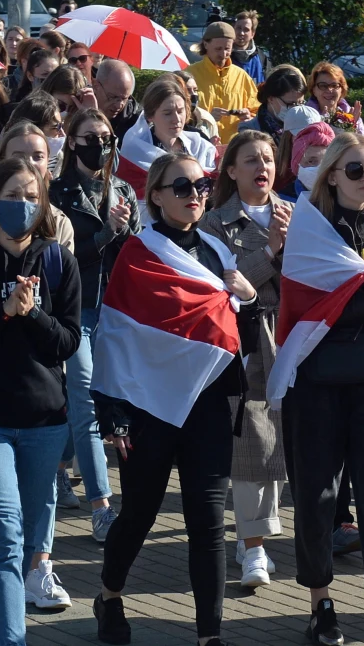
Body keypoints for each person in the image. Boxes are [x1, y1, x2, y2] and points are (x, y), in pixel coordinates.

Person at [93, 152, 260, 646]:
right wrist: (113, 413)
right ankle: (109, 596)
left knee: (207, 523)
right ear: (156, 196)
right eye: (181, 186)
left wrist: (249, 300)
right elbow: (115, 336)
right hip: (148, 408)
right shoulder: (136, 253)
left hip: (207, 406)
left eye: (201, 185)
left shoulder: (218, 252)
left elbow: (240, 339)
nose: (194, 195)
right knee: (138, 515)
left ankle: (209, 635)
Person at [271, 132, 364, 646]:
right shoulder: (309, 227)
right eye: (355, 170)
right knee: (317, 498)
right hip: (316, 383)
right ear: (331, 175)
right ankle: (321, 605)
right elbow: (307, 311)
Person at [0, 157, 81, 645]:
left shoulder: (58, 261)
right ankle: (8, 639)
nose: (21, 205)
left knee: (27, 537)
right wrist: (4, 312)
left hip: (45, 422)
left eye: (30, 197)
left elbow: (67, 343)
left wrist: (32, 314)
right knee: (4, 535)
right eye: (11, 196)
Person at [202, 130, 292, 588]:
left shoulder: (296, 214)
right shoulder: (215, 223)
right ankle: (253, 546)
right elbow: (226, 282)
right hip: (247, 336)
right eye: (251, 160)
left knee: (280, 441)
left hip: (294, 334)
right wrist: (271, 250)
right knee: (252, 440)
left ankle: (249, 534)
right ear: (232, 170)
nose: (262, 167)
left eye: (268, 159)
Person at [48, 108, 140, 540]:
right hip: (75, 310)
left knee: (82, 399)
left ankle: (59, 466)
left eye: (106, 138)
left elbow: (134, 254)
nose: (100, 145)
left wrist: (123, 231)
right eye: (90, 137)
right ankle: (102, 506)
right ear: (72, 142)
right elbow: (62, 258)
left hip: (115, 311)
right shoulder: (57, 192)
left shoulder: (122, 189)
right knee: (85, 399)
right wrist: (106, 233)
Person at [118, 79, 217, 193]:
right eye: (167, 113)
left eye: (180, 111)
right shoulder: (134, 152)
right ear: (150, 116)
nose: (176, 119)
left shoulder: (201, 147)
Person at [186, 21, 259, 145]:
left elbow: (258, 111)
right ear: (206, 44)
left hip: (235, 147)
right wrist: (207, 118)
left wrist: (249, 117)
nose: (223, 54)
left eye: (227, 49)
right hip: (200, 145)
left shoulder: (241, 76)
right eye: (218, 49)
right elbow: (178, 113)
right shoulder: (189, 75)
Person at [239, 64, 306, 141]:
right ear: (271, 98)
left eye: (301, 103)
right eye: (291, 104)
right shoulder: (250, 130)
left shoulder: (307, 124)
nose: (296, 109)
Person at [279, 121, 334, 204]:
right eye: (311, 161)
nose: (319, 168)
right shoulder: (283, 201)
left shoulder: (342, 199)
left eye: (325, 161)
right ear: (297, 166)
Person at [306, 62, 364, 135]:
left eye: (334, 85)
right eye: (323, 86)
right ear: (313, 90)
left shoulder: (352, 117)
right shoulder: (305, 117)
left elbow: (362, 141)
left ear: (342, 90)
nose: (329, 90)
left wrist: (350, 128)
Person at [94, 58, 141, 138]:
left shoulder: (137, 123)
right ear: (96, 86)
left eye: (124, 98)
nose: (119, 105)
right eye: (112, 97)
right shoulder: (77, 108)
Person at [172, 69, 220, 143]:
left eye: (195, 90)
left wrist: (210, 146)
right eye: (187, 90)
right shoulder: (165, 119)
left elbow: (216, 147)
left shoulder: (207, 119)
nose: (193, 94)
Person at [229, 10, 270, 85]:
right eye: (238, 28)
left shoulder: (262, 58)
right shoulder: (224, 55)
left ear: (252, 34)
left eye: (246, 30)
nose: (241, 33)